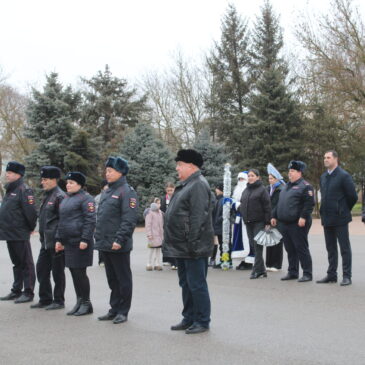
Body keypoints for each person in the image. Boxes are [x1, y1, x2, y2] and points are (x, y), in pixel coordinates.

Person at [163, 149, 214, 335]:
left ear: (191, 166)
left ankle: (202, 320)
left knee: (197, 284)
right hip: (183, 246)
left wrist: (192, 243)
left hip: (193, 246)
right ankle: (189, 317)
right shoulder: (187, 185)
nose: (177, 168)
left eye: (180, 165)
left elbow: (198, 218)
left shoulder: (198, 185)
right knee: (186, 283)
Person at [94, 156, 138, 325]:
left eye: (110, 171)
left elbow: (129, 219)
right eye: (106, 171)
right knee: (112, 279)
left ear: (120, 172)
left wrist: (120, 239)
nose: (107, 173)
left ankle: (123, 311)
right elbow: (102, 216)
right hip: (105, 243)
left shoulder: (127, 192)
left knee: (123, 278)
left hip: (118, 244)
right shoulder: (107, 192)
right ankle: (114, 308)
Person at [55, 172, 96, 316]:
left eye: (71, 182)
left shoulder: (86, 199)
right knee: (73, 272)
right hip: (69, 242)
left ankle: (86, 303)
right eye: (67, 182)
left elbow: (90, 220)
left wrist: (85, 239)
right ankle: (79, 301)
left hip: (80, 242)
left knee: (80, 273)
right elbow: (62, 221)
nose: (68, 185)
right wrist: (59, 239)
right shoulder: (66, 198)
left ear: (80, 185)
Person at [317, 150, 358, 286]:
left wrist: (343, 209)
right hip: (327, 218)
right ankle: (331, 275)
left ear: (336, 159)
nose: (325, 159)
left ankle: (347, 276)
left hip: (340, 218)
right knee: (331, 248)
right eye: (324, 157)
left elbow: (352, 196)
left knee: (344, 248)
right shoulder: (323, 177)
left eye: (328, 157)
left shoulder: (344, 176)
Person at [272, 161, 315, 282]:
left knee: (301, 248)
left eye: (292, 171)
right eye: (289, 171)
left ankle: (307, 273)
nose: (289, 173)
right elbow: (280, 203)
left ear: (299, 172)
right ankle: (293, 272)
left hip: (298, 223)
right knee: (290, 249)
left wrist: (303, 217)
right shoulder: (286, 186)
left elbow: (309, 204)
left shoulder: (305, 186)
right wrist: (274, 215)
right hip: (285, 223)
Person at [0, 161, 37, 303]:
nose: (7, 175)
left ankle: (28, 292)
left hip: (19, 232)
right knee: (17, 263)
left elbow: (31, 213)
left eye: (10, 173)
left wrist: (29, 228)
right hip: (10, 233)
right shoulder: (10, 190)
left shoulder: (24, 190)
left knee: (26, 263)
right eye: (7, 172)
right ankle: (16, 290)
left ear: (18, 175)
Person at [31, 166, 66, 310]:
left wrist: (59, 240)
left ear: (54, 180)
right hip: (45, 242)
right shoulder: (47, 195)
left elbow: (62, 220)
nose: (42, 182)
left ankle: (58, 300)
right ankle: (45, 298)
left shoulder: (59, 196)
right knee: (41, 270)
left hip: (56, 242)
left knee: (58, 273)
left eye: (45, 179)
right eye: (42, 179)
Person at [240, 169, 271, 279]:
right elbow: (242, 203)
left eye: (252, 175)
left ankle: (256, 270)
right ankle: (262, 270)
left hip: (259, 222)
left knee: (258, 246)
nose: (250, 177)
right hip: (248, 222)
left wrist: (267, 222)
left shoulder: (262, 190)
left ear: (258, 177)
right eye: (249, 176)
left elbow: (267, 206)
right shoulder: (246, 190)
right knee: (254, 246)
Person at [266, 163, 285, 272]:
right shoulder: (269, 188)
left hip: (277, 219)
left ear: (277, 179)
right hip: (268, 218)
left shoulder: (281, 189)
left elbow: (279, 205)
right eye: (269, 178)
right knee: (269, 240)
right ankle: (268, 263)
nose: (270, 180)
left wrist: (274, 216)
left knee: (277, 241)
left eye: (272, 178)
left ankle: (276, 264)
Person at [231, 172, 252, 270]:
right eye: (239, 179)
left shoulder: (248, 189)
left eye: (242, 179)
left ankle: (249, 261)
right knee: (239, 239)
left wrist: (239, 205)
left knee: (247, 239)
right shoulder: (237, 189)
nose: (240, 181)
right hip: (239, 218)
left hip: (247, 218)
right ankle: (242, 260)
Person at [161, 182, 177, 269]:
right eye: (168, 190)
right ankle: (168, 259)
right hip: (166, 223)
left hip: (175, 223)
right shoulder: (164, 199)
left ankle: (174, 261)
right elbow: (162, 210)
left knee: (174, 242)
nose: (169, 192)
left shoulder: (177, 197)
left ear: (174, 189)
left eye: (171, 190)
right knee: (166, 242)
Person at [145, 198, 164, 271]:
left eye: (160, 203)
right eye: (158, 203)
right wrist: (149, 234)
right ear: (154, 203)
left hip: (159, 235)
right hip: (152, 235)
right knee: (151, 250)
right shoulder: (150, 212)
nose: (159, 205)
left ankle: (157, 263)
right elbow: (148, 224)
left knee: (158, 250)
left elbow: (162, 224)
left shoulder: (160, 213)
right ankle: (149, 263)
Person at [94, 179, 108, 266]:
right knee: (101, 242)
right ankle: (101, 260)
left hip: (109, 224)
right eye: (107, 185)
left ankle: (107, 260)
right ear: (103, 187)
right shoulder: (98, 198)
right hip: (99, 224)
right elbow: (95, 212)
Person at [211, 184, 224, 267]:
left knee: (222, 244)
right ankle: (213, 259)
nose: (216, 190)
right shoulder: (217, 199)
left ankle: (223, 260)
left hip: (219, 225)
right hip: (215, 224)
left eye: (217, 189)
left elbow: (223, 214)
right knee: (215, 243)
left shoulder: (222, 200)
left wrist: (217, 220)